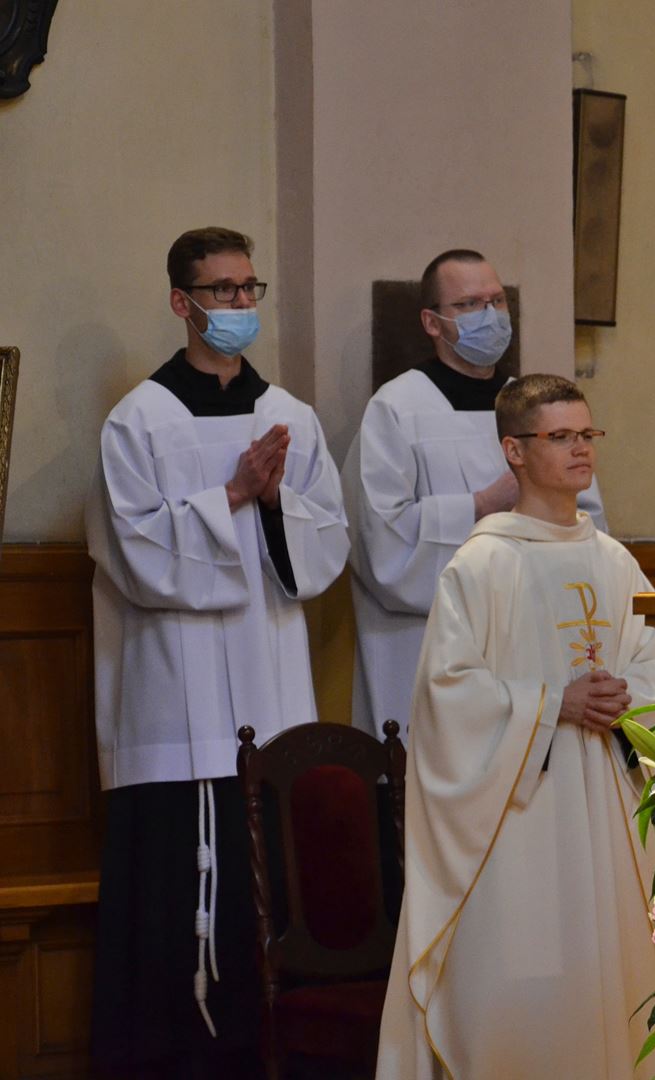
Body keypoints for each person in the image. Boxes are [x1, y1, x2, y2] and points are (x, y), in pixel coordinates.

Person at [85, 226, 349, 1076]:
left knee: (267, 881)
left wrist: (273, 509)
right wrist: (233, 493)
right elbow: (133, 552)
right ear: (181, 302)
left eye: (248, 290)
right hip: (176, 693)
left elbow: (326, 546)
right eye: (222, 290)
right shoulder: (139, 421)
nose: (238, 305)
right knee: (175, 892)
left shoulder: (290, 417)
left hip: (270, 684)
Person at [375, 374, 655, 1077]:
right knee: (526, 994)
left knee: (615, 977)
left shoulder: (612, 559)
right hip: (517, 818)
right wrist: (553, 704)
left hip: (609, 807)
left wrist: (626, 693)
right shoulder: (481, 565)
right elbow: (448, 696)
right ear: (513, 451)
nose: (580, 449)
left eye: (587, 434)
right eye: (560, 436)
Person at [343, 248, 607, 740]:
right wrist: (480, 505)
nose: (490, 315)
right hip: (428, 647)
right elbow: (379, 539)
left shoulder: (536, 408)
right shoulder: (397, 408)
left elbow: (588, 520)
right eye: (469, 305)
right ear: (432, 321)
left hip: (531, 643)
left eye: (497, 301)